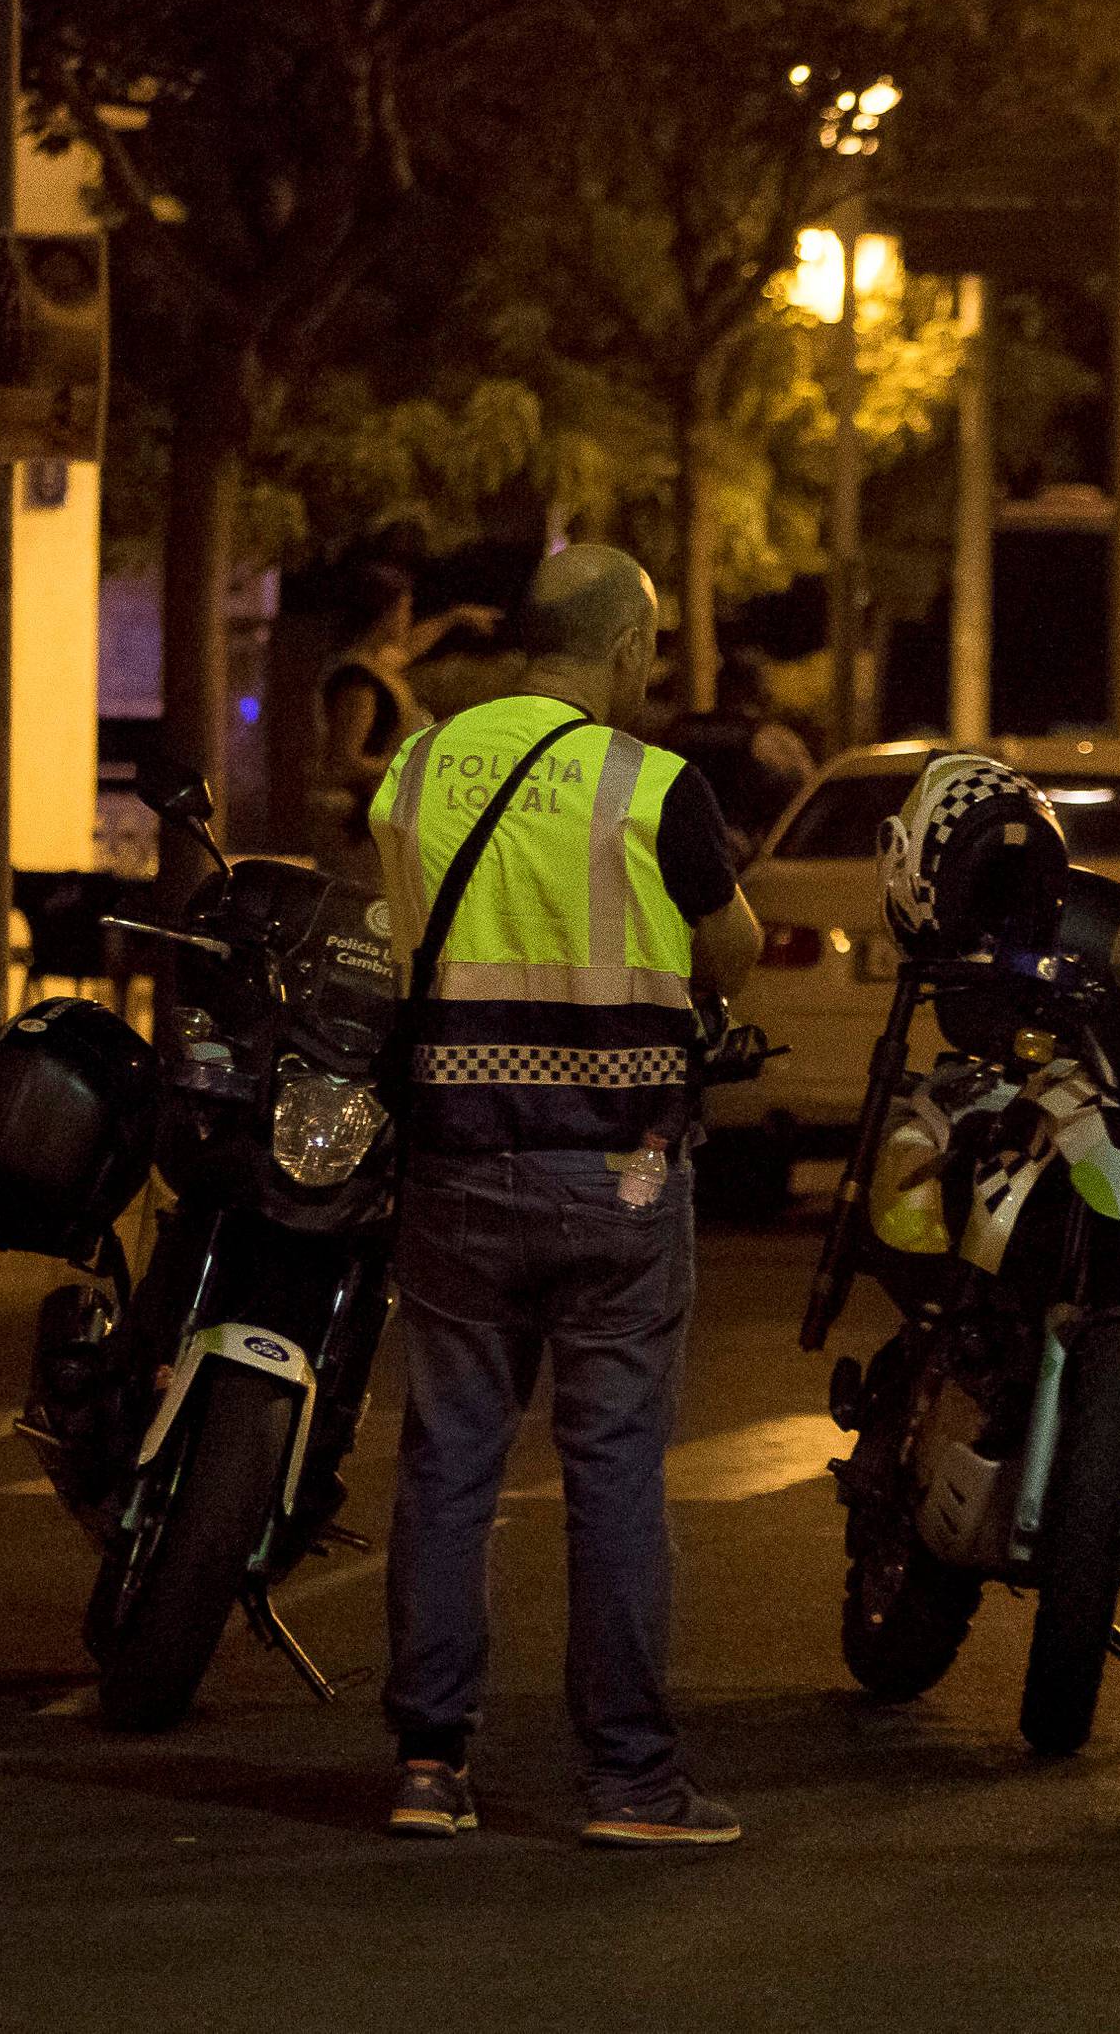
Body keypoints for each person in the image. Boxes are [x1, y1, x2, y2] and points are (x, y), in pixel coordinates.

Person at [369, 543, 762, 1848]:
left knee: (448, 1465)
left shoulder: (417, 771)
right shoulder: (654, 787)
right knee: (613, 1479)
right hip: (622, 1173)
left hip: (457, 1164)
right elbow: (734, 948)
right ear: (626, 649)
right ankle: (631, 1780)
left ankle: (429, 1764)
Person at [311, 560, 501, 885]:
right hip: (354, 828)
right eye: (405, 607)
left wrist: (455, 618)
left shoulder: (378, 664)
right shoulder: (359, 682)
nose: (409, 616)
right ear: (385, 614)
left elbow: (411, 646)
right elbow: (343, 761)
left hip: (374, 819)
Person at [661, 649, 816, 857]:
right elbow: (808, 794)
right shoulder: (770, 739)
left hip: (677, 848)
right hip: (745, 855)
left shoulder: (683, 729)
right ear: (758, 690)